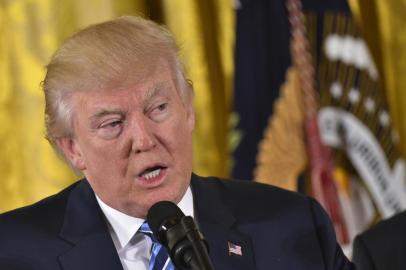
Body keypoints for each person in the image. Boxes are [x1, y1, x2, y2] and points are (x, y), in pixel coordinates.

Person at [0, 16, 353, 270]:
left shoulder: (293, 226)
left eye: (158, 108)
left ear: (187, 109)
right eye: (112, 123)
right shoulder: (12, 252)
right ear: (73, 148)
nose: (143, 139)